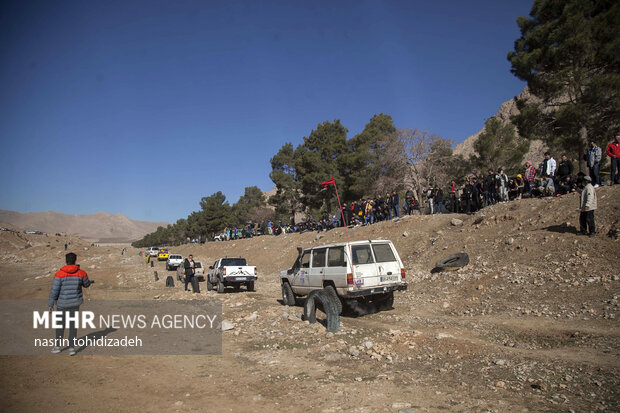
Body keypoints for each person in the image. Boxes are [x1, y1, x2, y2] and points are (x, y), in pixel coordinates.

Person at [48, 252, 93, 355]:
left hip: (62, 304)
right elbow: (86, 284)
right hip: (75, 304)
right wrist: (88, 282)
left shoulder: (59, 274)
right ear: (75, 260)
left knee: (60, 325)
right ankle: (71, 348)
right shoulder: (81, 273)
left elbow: (54, 290)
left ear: (66, 260)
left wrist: (51, 304)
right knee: (73, 325)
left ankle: (57, 346)